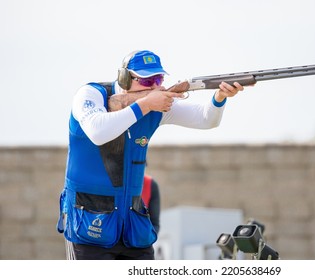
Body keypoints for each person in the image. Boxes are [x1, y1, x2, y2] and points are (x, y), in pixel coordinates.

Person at [57, 49, 246, 260]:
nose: (156, 86)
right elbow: (99, 132)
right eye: (147, 81)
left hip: (133, 229)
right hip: (88, 226)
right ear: (125, 78)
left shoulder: (157, 106)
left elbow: (206, 119)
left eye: (159, 78)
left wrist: (219, 97)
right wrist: (145, 104)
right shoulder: (91, 94)